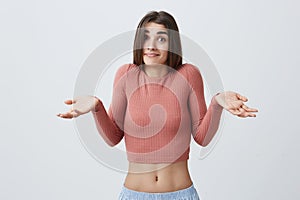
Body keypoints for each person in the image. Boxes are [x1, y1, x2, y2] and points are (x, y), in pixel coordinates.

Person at [57, 11, 258, 200]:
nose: (151, 45)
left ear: (172, 45)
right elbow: (113, 137)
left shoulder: (188, 74)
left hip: (180, 194)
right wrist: (96, 106)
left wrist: (217, 103)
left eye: (161, 39)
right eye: (146, 37)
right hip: (134, 194)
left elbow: (202, 138)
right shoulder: (126, 75)